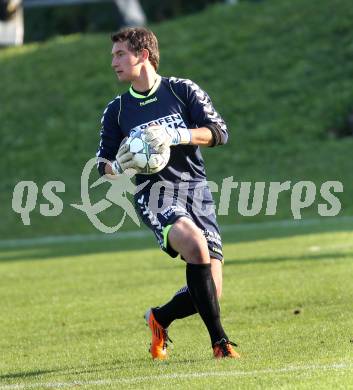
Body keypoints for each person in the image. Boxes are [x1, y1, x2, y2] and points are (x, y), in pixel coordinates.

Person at [97, 27, 239, 360]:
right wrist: (118, 167)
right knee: (194, 244)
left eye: (120, 54)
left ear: (142, 55)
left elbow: (219, 132)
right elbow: (101, 163)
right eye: (113, 55)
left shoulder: (181, 90)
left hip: (196, 191)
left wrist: (175, 135)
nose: (114, 62)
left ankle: (159, 318)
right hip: (155, 193)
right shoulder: (117, 110)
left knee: (211, 291)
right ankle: (220, 343)